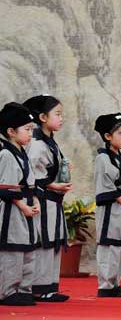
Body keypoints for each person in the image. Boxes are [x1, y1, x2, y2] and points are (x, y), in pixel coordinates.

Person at [24, 95, 71, 302]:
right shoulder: (36, 144)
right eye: (57, 114)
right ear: (42, 117)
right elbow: (34, 177)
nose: (61, 118)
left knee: (53, 242)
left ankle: (50, 286)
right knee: (44, 241)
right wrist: (54, 185)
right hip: (41, 200)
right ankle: (40, 287)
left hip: (53, 201)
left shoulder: (49, 142)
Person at [0, 102, 39, 306]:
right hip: (12, 209)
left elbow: (31, 182)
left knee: (28, 249)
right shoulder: (6, 154)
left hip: (26, 205)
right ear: (11, 131)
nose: (30, 134)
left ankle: (24, 288)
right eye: (27, 129)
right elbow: (6, 187)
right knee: (13, 250)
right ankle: (8, 291)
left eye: (32, 130)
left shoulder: (22, 153)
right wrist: (22, 204)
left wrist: (35, 200)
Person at [94, 113, 121, 298]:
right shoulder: (102, 159)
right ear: (107, 136)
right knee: (108, 245)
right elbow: (105, 186)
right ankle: (105, 284)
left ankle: (115, 283)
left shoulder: (120, 157)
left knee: (117, 246)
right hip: (110, 209)